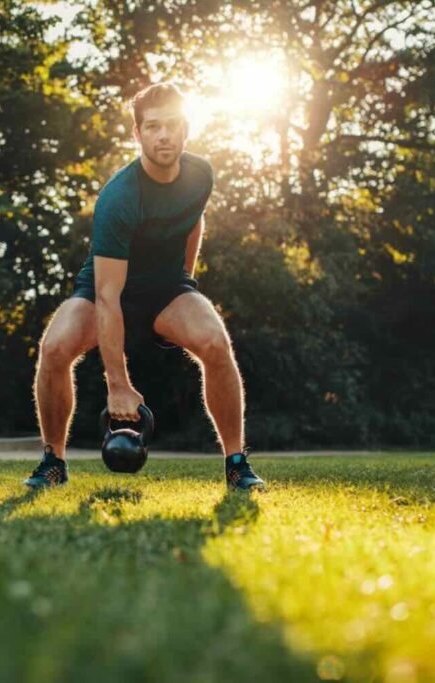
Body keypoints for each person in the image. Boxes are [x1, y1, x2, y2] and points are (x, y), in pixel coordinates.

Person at [23, 82, 264, 491]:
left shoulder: (200, 174)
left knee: (216, 343)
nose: (163, 135)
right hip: (106, 290)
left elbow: (193, 219)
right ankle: (53, 462)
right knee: (54, 348)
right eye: (152, 126)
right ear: (137, 133)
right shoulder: (118, 198)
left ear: (186, 128)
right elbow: (107, 296)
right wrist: (118, 386)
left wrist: (185, 282)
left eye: (171, 125)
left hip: (166, 288)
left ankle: (236, 464)